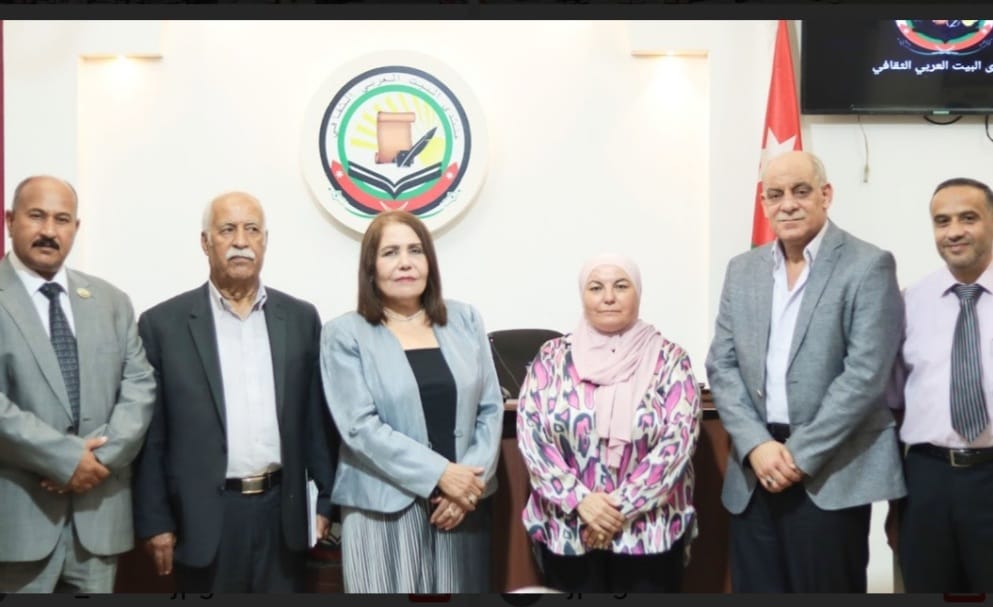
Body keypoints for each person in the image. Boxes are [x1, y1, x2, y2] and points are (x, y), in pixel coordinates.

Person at [705, 150, 906, 592]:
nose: (788, 204)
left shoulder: (868, 265)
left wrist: (798, 456)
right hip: (754, 473)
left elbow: (866, 375)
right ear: (763, 203)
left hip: (829, 473)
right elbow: (721, 364)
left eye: (800, 191)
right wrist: (757, 446)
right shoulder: (742, 270)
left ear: (825, 195)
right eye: (775, 195)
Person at [132, 191, 337, 592]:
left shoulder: (300, 318)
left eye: (252, 229)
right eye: (227, 229)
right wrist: (155, 521)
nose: (241, 241)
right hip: (203, 520)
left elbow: (314, 422)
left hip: (283, 515)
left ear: (265, 241)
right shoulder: (163, 325)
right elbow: (152, 436)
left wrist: (327, 500)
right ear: (205, 242)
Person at [320, 210, 502, 593]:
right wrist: (441, 474)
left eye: (415, 250)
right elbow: (360, 427)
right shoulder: (345, 334)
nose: (405, 262)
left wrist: (468, 484)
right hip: (382, 511)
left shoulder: (465, 320)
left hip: (460, 510)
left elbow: (489, 409)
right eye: (390, 253)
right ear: (370, 268)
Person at [0, 175, 156, 592]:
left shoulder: (111, 301)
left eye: (62, 219)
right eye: (37, 216)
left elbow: (140, 387)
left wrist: (99, 460)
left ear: (76, 227)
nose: (49, 231)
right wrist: (66, 459)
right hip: (17, 524)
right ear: (10, 220)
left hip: (98, 522)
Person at [516, 253, 701, 593]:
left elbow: (677, 443)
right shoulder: (552, 357)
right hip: (569, 528)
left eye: (621, 286)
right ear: (582, 295)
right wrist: (581, 501)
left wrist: (618, 510)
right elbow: (532, 437)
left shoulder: (670, 359)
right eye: (596, 287)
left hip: (649, 531)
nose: (609, 297)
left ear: (638, 292)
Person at [888, 178, 993, 592]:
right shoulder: (910, 302)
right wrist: (896, 500)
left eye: (968, 218)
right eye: (942, 221)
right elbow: (893, 404)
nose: (954, 232)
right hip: (927, 481)